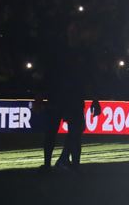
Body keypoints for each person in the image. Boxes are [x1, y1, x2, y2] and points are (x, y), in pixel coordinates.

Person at [37, 21, 101, 172]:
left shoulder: (85, 53)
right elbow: (48, 74)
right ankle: (51, 163)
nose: (73, 34)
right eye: (71, 31)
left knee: (76, 131)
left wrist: (95, 99)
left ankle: (72, 163)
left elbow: (91, 77)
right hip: (57, 96)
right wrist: (40, 94)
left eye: (75, 31)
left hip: (73, 97)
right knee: (52, 131)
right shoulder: (60, 51)